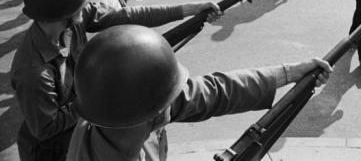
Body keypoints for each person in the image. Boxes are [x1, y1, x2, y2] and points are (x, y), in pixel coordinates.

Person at [10, 0, 221, 161]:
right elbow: (46, 128)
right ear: (62, 15)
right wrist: (94, 99)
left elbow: (125, 16)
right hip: (50, 151)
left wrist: (190, 10)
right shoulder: (33, 72)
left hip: (78, 128)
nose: (85, 10)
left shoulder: (71, 21)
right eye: (79, 7)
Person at [67, 25, 333, 160]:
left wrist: (291, 73)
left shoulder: (117, 108)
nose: (179, 98)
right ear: (158, 114)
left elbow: (215, 92)